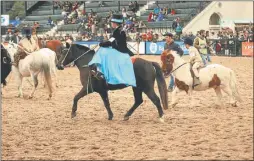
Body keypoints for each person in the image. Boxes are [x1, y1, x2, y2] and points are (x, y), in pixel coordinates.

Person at [88, 14, 135, 84]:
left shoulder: (116, 31)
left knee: (102, 52)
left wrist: (101, 44)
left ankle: (100, 72)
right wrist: (104, 43)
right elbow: (112, 41)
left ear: (115, 23)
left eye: (112, 23)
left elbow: (111, 42)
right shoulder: (119, 30)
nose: (111, 24)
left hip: (119, 50)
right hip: (121, 49)